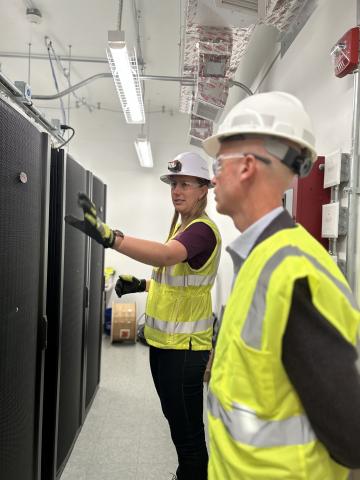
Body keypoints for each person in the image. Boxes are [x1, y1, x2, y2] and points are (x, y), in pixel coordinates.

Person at [201, 91, 360, 480]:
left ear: (246, 168)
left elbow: (351, 434)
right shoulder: (260, 257)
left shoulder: (292, 273)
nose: (212, 176)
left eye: (218, 162)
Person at [65, 151, 222, 480]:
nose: (177, 191)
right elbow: (179, 284)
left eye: (185, 184)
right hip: (167, 345)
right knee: (178, 424)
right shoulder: (183, 227)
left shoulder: (201, 231)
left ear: (204, 188)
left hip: (184, 350)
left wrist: (112, 238)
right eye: (173, 184)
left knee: (188, 435)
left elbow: (166, 256)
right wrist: (144, 284)